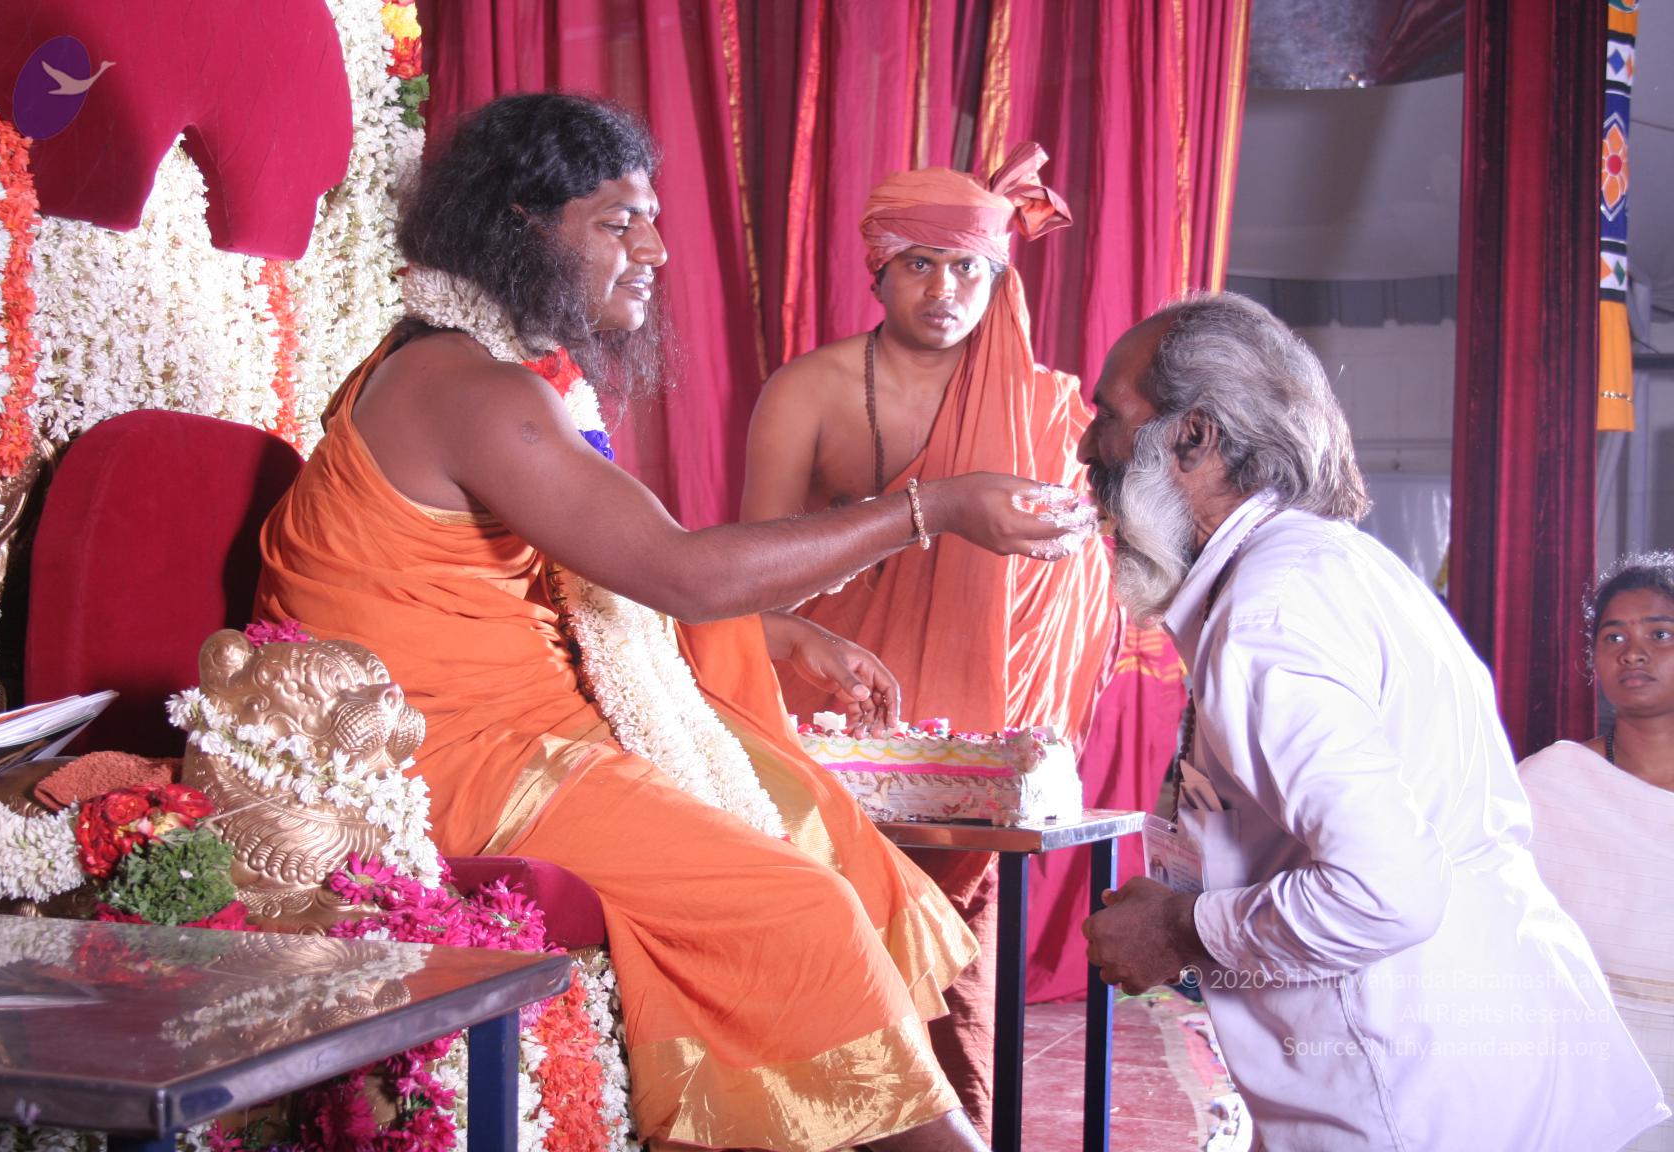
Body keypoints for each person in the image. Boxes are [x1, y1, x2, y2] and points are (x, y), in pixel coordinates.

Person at [256, 93, 1087, 1152]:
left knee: (823, 823)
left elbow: (600, 592)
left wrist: (785, 636)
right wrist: (933, 508)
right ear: (520, 225)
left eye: (652, 220)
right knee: (798, 906)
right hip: (451, 757)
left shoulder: (502, 373)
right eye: (618, 223)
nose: (653, 250)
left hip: (526, 719)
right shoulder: (471, 389)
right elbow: (682, 576)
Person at [1076, 291, 1668, 1150]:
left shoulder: (1270, 615)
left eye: (1108, 416)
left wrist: (1179, 929)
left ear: (1194, 437)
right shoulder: (1323, 565)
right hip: (1485, 1070)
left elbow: (1386, 892)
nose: (1088, 447)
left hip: (1416, 1100)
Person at [740, 147, 1119, 1134]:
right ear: (877, 269)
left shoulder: (1047, 403)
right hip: (839, 724)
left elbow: (1083, 580)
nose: (945, 290)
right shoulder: (810, 391)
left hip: (976, 737)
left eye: (968, 269)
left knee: (958, 982)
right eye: (919, 263)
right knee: (832, 973)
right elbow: (747, 585)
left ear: (998, 278)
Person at [1520, 551, 1674, 1152]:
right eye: (1613, 637)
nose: (1632, 652)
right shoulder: (1551, 784)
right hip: (1589, 1076)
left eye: (1659, 634)